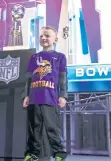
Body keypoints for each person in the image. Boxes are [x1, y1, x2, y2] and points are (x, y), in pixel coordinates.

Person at [22, 26, 68, 161]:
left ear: (55, 39)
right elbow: (28, 78)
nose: (43, 38)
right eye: (41, 36)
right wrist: (26, 95)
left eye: (47, 36)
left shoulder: (60, 57)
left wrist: (63, 95)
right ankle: (32, 153)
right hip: (34, 97)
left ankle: (59, 153)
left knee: (52, 127)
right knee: (34, 127)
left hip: (51, 97)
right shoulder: (34, 57)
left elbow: (63, 78)